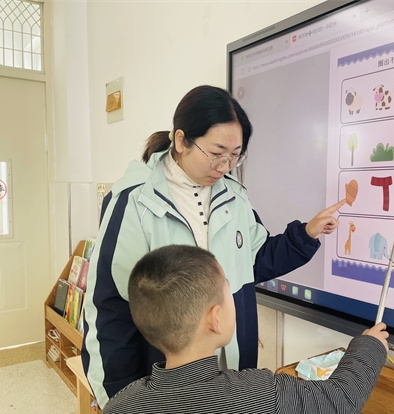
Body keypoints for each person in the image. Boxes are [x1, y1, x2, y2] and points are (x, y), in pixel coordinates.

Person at [82, 84, 347, 408]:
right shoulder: (135, 202)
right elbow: (109, 309)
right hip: (160, 393)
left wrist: (306, 234)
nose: (224, 166)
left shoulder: (234, 197)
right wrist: (117, 399)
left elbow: (254, 259)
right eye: (216, 153)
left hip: (230, 379)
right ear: (181, 140)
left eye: (235, 155)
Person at [103, 244, 389, 414]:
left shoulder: (121, 405)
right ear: (215, 319)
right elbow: (340, 400)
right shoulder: (257, 394)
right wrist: (369, 345)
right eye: (228, 290)